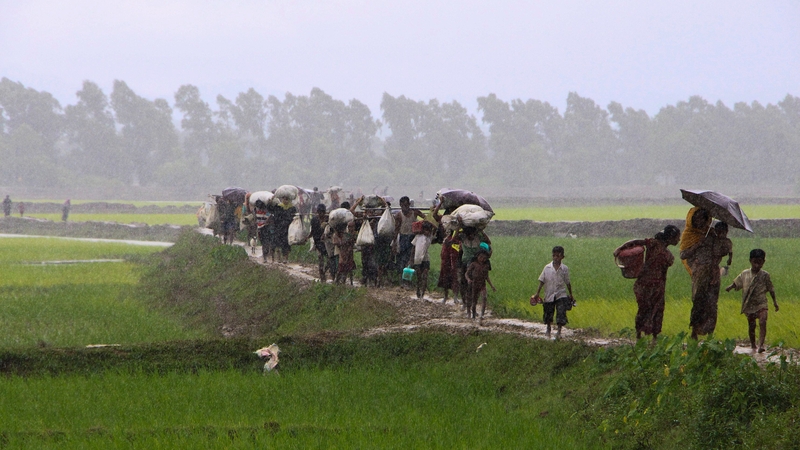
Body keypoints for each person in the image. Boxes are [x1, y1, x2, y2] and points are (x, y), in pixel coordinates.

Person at [614, 225, 681, 342]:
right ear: (670, 237)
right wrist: (620, 249)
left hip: (658, 286)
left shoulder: (667, 254)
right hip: (645, 283)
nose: (678, 240)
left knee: (657, 310)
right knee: (645, 308)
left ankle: (654, 337)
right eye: (677, 237)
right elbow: (636, 241)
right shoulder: (654, 244)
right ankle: (639, 335)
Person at [681, 220, 733, 339]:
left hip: (713, 274)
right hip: (700, 274)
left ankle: (710, 332)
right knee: (698, 301)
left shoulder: (723, 242)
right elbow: (683, 255)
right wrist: (698, 245)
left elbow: (723, 254)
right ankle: (694, 331)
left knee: (712, 304)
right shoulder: (700, 238)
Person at [725, 249, 778, 353]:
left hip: (761, 303)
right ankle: (753, 345)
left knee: (763, 321)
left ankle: (761, 345)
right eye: (755, 262)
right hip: (749, 304)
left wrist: (775, 302)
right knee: (752, 325)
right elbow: (737, 282)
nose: (757, 265)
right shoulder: (745, 274)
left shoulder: (765, 275)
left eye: (760, 262)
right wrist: (730, 287)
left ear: (763, 262)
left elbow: (771, 289)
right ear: (750, 261)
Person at [533, 246, 574, 339]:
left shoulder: (564, 269)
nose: (556, 258)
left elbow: (568, 283)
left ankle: (559, 330)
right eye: (554, 256)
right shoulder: (547, 268)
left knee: (561, 312)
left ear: (562, 257)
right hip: (549, 293)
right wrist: (537, 293)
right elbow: (542, 281)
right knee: (548, 312)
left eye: (558, 256)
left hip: (561, 294)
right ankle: (548, 328)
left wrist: (571, 294)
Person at [457, 226, 492, 310]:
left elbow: (488, 242)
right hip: (465, 262)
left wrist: (482, 231)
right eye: (469, 235)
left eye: (472, 234)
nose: (471, 236)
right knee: (462, 282)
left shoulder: (478, 238)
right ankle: (465, 302)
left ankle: (473, 303)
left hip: (475, 261)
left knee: (475, 283)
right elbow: (455, 237)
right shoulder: (463, 237)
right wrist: (459, 225)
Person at [431, 203, 460, 304]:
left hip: (455, 246)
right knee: (445, 271)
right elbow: (434, 215)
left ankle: (455, 296)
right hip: (446, 246)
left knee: (454, 271)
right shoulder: (444, 220)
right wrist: (440, 203)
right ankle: (446, 296)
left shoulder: (458, 221)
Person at [394, 196, 426, 287]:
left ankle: (408, 280)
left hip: (412, 238)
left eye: (406, 205)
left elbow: (425, 218)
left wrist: (421, 226)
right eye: (402, 205)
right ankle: (402, 280)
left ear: (409, 204)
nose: (404, 207)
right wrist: (395, 243)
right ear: (400, 205)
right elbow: (396, 230)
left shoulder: (415, 212)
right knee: (401, 260)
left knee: (410, 260)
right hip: (403, 238)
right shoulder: (399, 215)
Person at [465, 249, 496, 321]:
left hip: (482, 284)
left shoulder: (486, 266)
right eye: (481, 257)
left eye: (484, 258)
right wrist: (468, 279)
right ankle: (473, 315)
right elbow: (466, 273)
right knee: (474, 301)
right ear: (477, 256)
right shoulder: (473, 264)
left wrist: (492, 286)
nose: (482, 259)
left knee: (484, 297)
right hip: (474, 284)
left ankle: (482, 314)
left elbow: (486, 277)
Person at [679, 207, 712, 274]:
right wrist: (698, 244)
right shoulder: (688, 234)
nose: (699, 221)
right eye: (696, 218)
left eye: (702, 218)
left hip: (710, 270)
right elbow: (683, 255)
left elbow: (718, 252)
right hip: (696, 270)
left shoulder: (710, 233)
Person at [268, 197, 297, 264]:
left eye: (287, 199)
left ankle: (285, 258)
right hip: (278, 228)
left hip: (287, 229)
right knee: (277, 243)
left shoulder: (292, 208)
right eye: (284, 199)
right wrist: (270, 202)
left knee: (286, 244)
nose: (285, 201)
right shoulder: (278, 207)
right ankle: (279, 257)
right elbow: (270, 209)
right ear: (282, 199)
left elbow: (294, 216)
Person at [410, 221, 434, 299]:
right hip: (417, 259)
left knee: (425, 276)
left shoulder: (430, 237)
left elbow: (435, 228)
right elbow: (413, 248)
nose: (427, 232)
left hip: (426, 258)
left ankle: (422, 293)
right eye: (426, 230)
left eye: (429, 230)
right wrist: (411, 259)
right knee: (419, 277)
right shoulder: (417, 237)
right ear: (423, 230)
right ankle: (418, 290)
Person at [310, 204, 329, 281]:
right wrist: (308, 237)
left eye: (322, 212)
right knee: (321, 260)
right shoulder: (314, 220)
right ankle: (322, 278)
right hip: (318, 243)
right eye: (319, 212)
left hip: (327, 243)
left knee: (329, 261)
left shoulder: (328, 220)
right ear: (317, 212)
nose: (321, 214)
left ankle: (324, 270)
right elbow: (313, 231)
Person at [334, 220, 356, 285]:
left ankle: (348, 282)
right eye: (349, 227)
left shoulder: (353, 234)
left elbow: (351, 244)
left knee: (349, 268)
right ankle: (337, 281)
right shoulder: (345, 235)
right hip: (343, 253)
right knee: (341, 268)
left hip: (349, 254)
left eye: (352, 227)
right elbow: (339, 243)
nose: (351, 228)